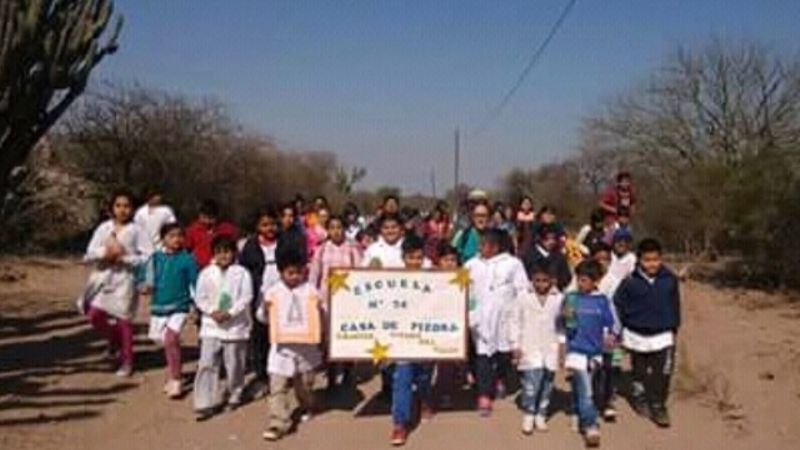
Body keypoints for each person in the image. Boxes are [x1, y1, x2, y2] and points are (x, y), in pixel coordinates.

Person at [81, 190, 153, 377]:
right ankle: (113, 339)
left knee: (124, 320)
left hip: (125, 280)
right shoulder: (104, 228)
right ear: (112, 208)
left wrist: (125, 258)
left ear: (133, 209)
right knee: (94, 315)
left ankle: (127, 361)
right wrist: (104, 253)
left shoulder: (137, 231)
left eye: (126, 206)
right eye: (118, 206)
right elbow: (89, 253)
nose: (122, 210)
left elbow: (147, 257)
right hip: (103, 276)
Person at [614, 238, 681, 428]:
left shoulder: (669, 280)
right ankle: (639, 397)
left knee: (663, 373)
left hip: (663, 335)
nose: (652, 264)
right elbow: (618, 305)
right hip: (636, 335)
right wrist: (620, 330)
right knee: (640, 372)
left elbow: (675, 305)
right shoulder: (629, 282)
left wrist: (674, 327)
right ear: (639, 260)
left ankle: (659, 405)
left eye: (655, 259)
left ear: (661, 258)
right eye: (647, 260)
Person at [261, 244, 324, 441]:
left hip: (305, 349)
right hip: (281, 349)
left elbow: (321, 317)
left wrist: (320, 321)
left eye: (299, 272)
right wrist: (265, 309)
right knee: (277, 386)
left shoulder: (311, 291)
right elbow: (262, 318)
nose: (295, 277)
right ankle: (278, 422)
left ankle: (307, 405)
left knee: (304, 385)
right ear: (280, 272)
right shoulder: (273, 292)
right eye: (290, 273)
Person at [465, 228, 529, 417]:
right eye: (480, 243)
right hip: (481, 318)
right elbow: (463, 289)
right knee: (483, 354)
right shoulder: (471, 264)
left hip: (505, 317)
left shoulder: (512, 264)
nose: (481, 247)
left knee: (503, 353)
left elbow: (522, 289)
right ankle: (484, 396)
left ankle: (499, 378)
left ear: (495, 246)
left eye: (485, 244)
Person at [193, 237, 253, 421]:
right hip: (211, 326)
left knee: (234, 364)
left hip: (235, 327)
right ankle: (205, 402)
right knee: (206, 363)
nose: (223, 255)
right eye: (219, 252)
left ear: (234, 253)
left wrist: (231, 312)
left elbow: (246, 296)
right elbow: (200, 297)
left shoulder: (242, 273)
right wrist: (212, 311)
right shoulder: (206, 273)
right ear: (214, 254)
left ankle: (234, 393)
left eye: (227, 251)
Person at [561, 260, 617, 447]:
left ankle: (577, 412)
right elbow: (562, 324)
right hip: (576, 351)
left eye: (584, 280)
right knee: (587, 391)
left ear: (596, 281)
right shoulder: (571, 298)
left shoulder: (602, 301)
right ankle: (591, 425)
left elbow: (610, 324)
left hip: (595, 354)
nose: (580, 283)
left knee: (582, 387)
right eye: (578, 279)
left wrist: (610, 337)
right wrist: (566, 317)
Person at [143, 223, 198, 398]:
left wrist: (197, 304)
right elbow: (146, 278)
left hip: (180, 307)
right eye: (171, 236)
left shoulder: (188, 259)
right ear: (163, 239)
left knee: (171, 338)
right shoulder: (156, 258)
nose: (176, 239)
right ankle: (174, 368)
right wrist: (144, 286)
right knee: (163, 340)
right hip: (159, 307)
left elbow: (195, 283)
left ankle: (176, 379)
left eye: (179, 236)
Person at [389, 235, 435, 446]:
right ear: (403, 257)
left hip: (426, 336)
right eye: (411, 257)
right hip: (402, 338)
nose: (415, 262)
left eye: (419, 257)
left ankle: (424, 401)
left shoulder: (433, 278)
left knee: (424, 375)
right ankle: (400, 423)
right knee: (402, 379)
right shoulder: (392, 280)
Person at [508, 262, 564, 435]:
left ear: (552, 281)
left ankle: (541, 413)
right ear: (531, 279)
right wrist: (515, 344)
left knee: (547, 382)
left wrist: (562, 346)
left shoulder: (559, 298)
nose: (541, 284)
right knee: (531, 384)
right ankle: (529, 412)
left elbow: (562, 325)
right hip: (529, 345)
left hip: (550, 345)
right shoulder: (523, 296)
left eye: (545, 281)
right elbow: (515, 321)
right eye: (537, 280)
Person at [308, 215, 362, 390]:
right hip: (326, 301)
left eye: (339, 227)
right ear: (328, 230)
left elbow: (361, 274)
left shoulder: (353, 248)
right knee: (328, 340)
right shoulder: (321, 249)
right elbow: (314, 276)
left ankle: (347, 372)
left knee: (346, 337)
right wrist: (312, 298)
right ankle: (331, 375)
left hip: (348, 301)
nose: (336, 231)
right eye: (332, 227)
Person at [239, 207, 281, 393]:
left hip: (282, 297)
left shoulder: (285, 242)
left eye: (272, 224)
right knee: (260, 338)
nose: (269, 228)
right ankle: (262, 375)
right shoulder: (250, 246)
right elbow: (242, 271)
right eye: (264, 224)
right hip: (259, 296)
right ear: (257, 226)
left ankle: (279, 375)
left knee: (279, 337)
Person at [433, 243, 462, 408]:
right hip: (432, 325)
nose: (450, 263)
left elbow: (470, 303)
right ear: (438, 262)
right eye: (446, 259)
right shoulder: (430, 279)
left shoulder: (462, 279)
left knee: (446, 363)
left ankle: (445, 392)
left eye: (453, 260)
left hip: (452, 326)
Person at [185, 199, 239, 268]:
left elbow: (235, 249)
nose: (207, 221)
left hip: (223, 266)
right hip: (199, 267)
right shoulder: (192, 230)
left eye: (210, 218)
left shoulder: (228, 229)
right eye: (204, 217)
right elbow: (186, 250)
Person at [522, 223, 572, 292]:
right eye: (547, 239)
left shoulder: (559, 257)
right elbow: (522, 277)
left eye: (553, 238)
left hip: (554, 293)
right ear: (539, 238)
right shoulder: (529, 256)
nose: (551, 242)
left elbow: (566, 277)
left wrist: (557, 281)